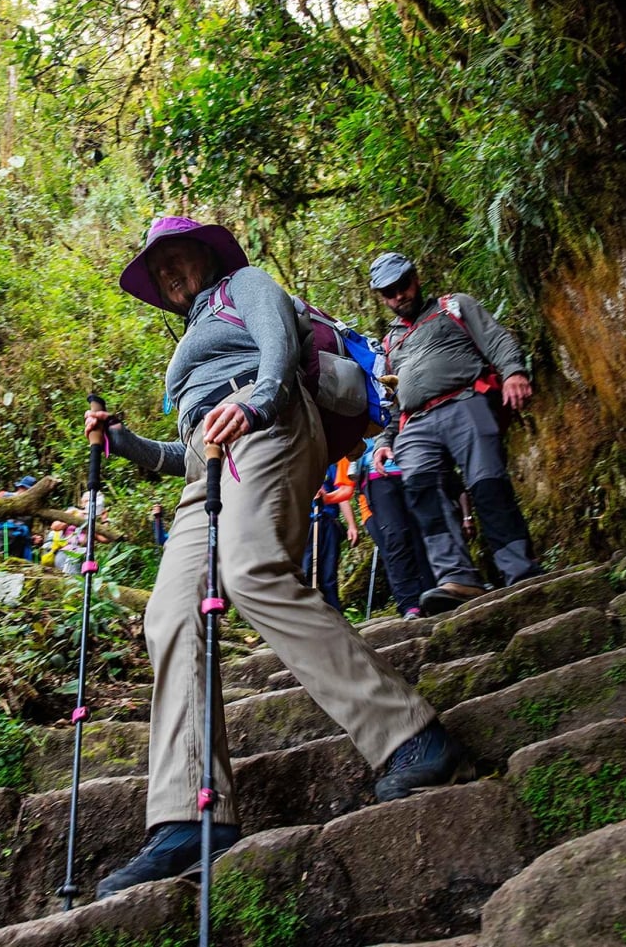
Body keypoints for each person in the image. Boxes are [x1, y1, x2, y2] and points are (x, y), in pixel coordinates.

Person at [85, 216, 468, 901]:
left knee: (253, 567)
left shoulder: (245, 285)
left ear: (203, 254)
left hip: (269, 422)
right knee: (169, 614)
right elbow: (185, 453)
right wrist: (127, 443)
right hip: (207, 464)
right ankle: (190, 814)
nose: (170, 274)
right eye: (159, 269)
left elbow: (277, 351)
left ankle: (410, 734)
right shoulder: (187, 345)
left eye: (176, 258)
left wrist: (258, 404)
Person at [369, 252, 542, 615]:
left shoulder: (454, 307)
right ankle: (458, 578)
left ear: (416, 279)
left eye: (402, 286)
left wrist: (513, 372)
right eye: (388, 292)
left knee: (488, 485)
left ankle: (518, 571)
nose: (398, 296)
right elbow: (393, 400)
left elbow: (495, 340)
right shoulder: (388, 345)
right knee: (422, 495)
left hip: (464, 401)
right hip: (414, 424)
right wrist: (385, 442)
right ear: (382, 298)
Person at [356, 435, 439, 619]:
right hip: (376, 475)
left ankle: (433, 593)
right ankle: (410, 603)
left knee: (423, 533)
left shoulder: (395, 408)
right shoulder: (360, 415)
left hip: (413, 465)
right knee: (396, 536)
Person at [300, 457, 358, 611]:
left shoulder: (331, 463)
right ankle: (306, 617)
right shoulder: (297, 460)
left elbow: (342, 494)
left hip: (328, 521)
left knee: (328, 576)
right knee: (305, 573)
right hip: (303, 524)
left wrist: (352, 525)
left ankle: (335, 616)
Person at [0, 475, 40, 559]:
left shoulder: (32, 507)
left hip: (18, 541)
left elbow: (27, 528)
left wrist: (32, 538)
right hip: (0, 534)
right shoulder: (4, 496)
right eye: (25, 489)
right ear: (20, 487)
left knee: (12, 566)